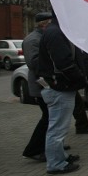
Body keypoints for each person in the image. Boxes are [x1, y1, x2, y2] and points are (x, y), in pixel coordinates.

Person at [38, 12, 86, 175]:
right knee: (57, 129)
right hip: (59, 87)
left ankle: (60, 156)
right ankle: (56, 163)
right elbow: (64, 63)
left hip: (61, 86)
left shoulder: (57, 31)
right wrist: (80, 80)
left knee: (59, 127)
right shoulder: (56, 33)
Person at [21, 12, 53, 162]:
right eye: (50, 24)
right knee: (47, 118)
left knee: (52, 117)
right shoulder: (32, 40)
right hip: (40, 85)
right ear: (44, 24)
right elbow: (33, 63)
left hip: (47, 84)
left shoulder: (43, 37)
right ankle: (33, 149)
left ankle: (50, 145)